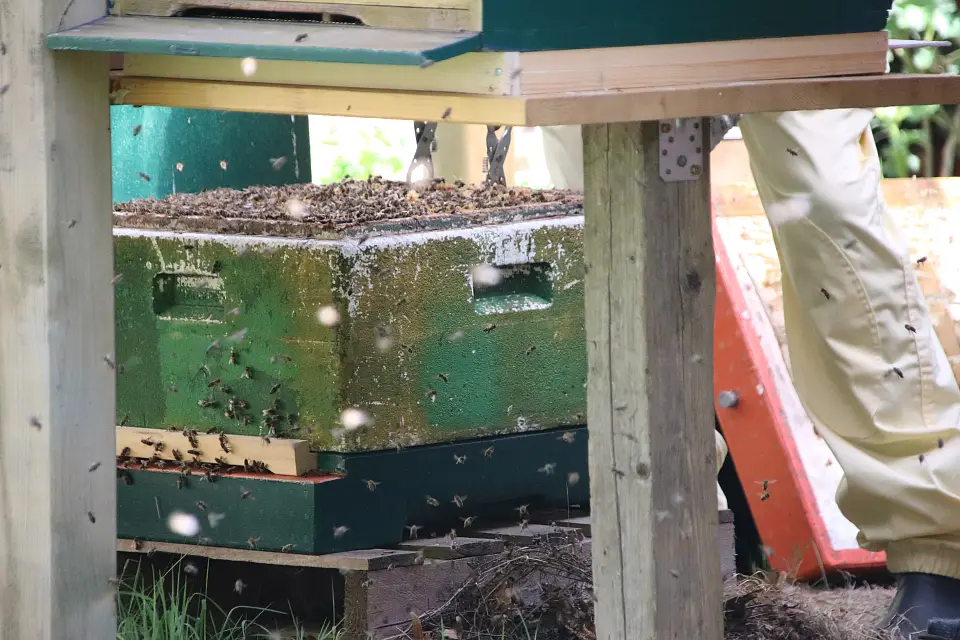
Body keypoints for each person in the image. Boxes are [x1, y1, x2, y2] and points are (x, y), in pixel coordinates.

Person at [540, 111, 960, 639]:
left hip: (793, 31)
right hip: (608, 42)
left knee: (830, 201)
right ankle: (680, 537)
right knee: (603, 197)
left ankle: (937, 549)